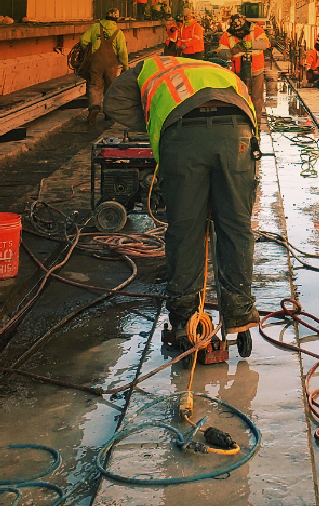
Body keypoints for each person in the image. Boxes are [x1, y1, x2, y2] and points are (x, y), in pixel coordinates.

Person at [103, 55, 260, 350]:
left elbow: (113, 102)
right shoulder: (219, 71)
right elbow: (253, 114)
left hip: (183, 136)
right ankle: (239, 312)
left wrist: (157, 120)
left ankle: (185, 316)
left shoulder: (148, 68)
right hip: (237, 133)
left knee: (186, 229)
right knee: (236, 226)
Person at [78, 8, 129, 126]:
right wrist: (125, 66)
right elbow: (122, 51)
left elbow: (83, 40)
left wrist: (89, 51)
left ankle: (94, 107)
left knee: (95, 86)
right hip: (111, 65)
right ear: (116, 19)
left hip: (96, 63)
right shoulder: (118, 33)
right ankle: (108, 113)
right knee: (109, 88)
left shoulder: (95, 27)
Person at [216, 12, 271, 117]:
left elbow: (265, 44)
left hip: (256, 71)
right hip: (238, 72)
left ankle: (256, 121)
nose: (240, 33)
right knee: (240, 97)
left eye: (241, 30)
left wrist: (251, 45)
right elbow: (220, 52)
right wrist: (231, 52)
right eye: (237, 31)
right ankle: (242, 118)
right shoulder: (227, 35)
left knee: (256, 98)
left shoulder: (257, 30)